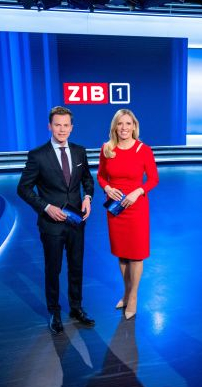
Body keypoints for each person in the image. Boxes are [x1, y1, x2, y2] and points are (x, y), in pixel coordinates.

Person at [17, 105, 95, 334]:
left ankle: (76, 308)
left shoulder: (79, 151)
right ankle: (54, 312)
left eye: (66, 125)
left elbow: (87, 180)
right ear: (49, 126)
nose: (62, 129)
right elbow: (23, 188)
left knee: (76, 266)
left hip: (76, 221)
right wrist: (46, 207)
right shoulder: (37, 155)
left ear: (72, 127)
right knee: (54, 269)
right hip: (51, 224)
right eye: (57, 125)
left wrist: (88, 197)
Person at [97, 109, 159, 320]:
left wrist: (138, 191)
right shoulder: (107, 149)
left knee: (136, 254)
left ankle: (133, 297)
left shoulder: (144, 150)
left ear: (134, 126)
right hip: (116, 209)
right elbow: (101, 176)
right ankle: (126, 293)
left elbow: (153, 179)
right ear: (115, 127)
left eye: (128, 123)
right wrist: (107, 188)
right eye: (120, 123)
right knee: (122, 254)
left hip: (136, 207)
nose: (124, 128)